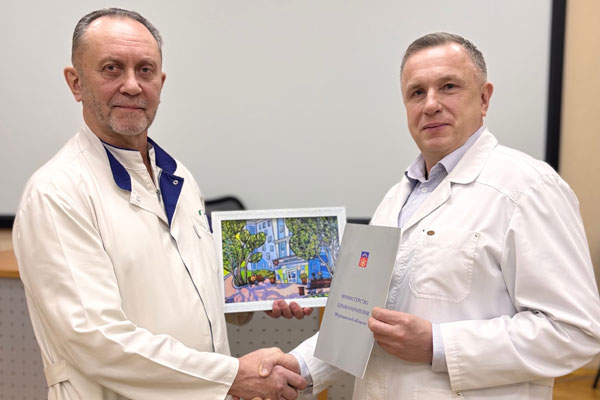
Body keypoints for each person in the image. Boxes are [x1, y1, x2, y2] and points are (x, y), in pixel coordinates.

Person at [12, 8, 306, 399]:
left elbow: (189, 292)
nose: (132, 85)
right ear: (76, 82)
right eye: (112, 69)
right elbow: (97, 340)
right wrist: (231, 376)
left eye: (145, 70)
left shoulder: (179, 177)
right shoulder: (56, 193)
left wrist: (255, 294)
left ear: (161, 83)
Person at [290, 32, 600, 399]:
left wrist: (438, 345)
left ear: (484, 98)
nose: (431, 104)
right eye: (416, 93)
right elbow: (359, 320)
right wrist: (296, 370)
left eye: (449, 86)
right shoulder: (394, 200)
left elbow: (575, 332)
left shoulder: (528, 189)